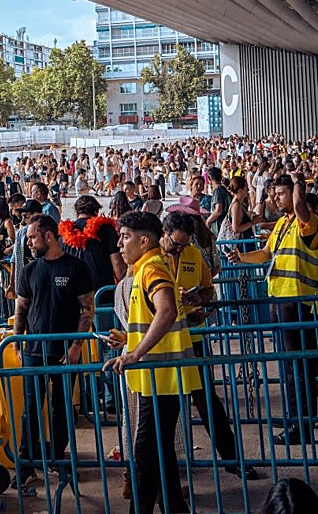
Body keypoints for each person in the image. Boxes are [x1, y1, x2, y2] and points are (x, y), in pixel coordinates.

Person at [104, 211, 200, 514]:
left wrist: (135, 353)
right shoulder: (147, 267)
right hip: (157, 377)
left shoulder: (151, 268)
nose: (120, 243)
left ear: (144, 240)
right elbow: (154, 319)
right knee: (159, 451)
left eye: (126, 236)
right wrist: (128, 341)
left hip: (161, 376)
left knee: (146, 451)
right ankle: (175, 507)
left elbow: (166, 310)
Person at [161, 212, 257, 480]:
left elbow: (208, 291)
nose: (180, 249)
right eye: (176, 244)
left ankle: (232, 458)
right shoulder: (151, 258)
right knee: (165, 410)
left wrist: (198, 299)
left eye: (184, 244)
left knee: (208, 402)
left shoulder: (193, 254)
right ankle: (166, 468)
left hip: (193, 339)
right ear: (164, 234)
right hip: (163, 343)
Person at [232, 173, 318, 445]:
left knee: (298, 367)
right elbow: (267, 254)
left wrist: (298, 184)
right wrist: (241, 258)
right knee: (290, 366)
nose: (275, 198)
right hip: (280, 299)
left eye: (280, 193)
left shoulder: (308, 222)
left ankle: (300, 426)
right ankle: (296, 418)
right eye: (274, 193)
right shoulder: (282, 224)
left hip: (296, 301)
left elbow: (299, 206)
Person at [12, 214, 94, 484]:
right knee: (31, 408)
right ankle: (26, 464)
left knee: (62, 406)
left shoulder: (76, 267)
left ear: (49, 236)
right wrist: (17, 340)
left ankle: (59, 457)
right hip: (33, 350)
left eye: (32, 237)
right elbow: (21, 308)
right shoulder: (29, 270)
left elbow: (87, 309)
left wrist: (76, 345)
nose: (29, 242)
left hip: (63, 352)